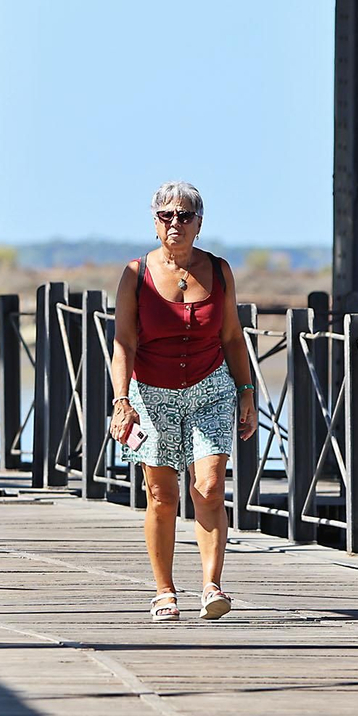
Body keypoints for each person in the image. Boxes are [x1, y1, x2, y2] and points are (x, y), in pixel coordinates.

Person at [110, 182, 258, 622]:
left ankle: (212, 586)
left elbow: (231, 336)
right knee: (162, 494)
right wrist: (121, 400)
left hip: (210, 387)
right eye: (166, 216)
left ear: (199, 223)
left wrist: (247, 392)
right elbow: (123, 343)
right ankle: (164, 590)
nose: (175, 223)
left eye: (185, 216)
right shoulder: (136, 274)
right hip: (151, 392)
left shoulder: (219, 269)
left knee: (209, 486)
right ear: (155, 223)